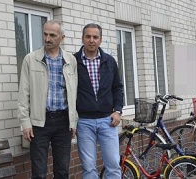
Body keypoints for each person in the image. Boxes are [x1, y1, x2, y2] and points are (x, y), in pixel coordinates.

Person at [17, 20, 78, 179]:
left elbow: (74, 93)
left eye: (52, 35)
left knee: (62, 171)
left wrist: (73, 121)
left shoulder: (70, 60)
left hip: (63, 121)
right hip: (39, 123)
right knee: (38, 173)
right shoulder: (31, 59)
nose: (47, 38)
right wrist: (25, 123)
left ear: (62, 38)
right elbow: (24, 93)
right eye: (45, 34)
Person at [74, 23, 124, 179]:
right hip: (84, 122)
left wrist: (117, 110)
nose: (91, 40)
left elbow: (118, 87)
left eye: (95, 37)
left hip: (107, 121)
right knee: (89, 168)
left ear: (100, 40)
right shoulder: (73, 61)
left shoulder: (109, 61)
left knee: (113, 165)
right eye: (88, 36)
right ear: (82, 38)